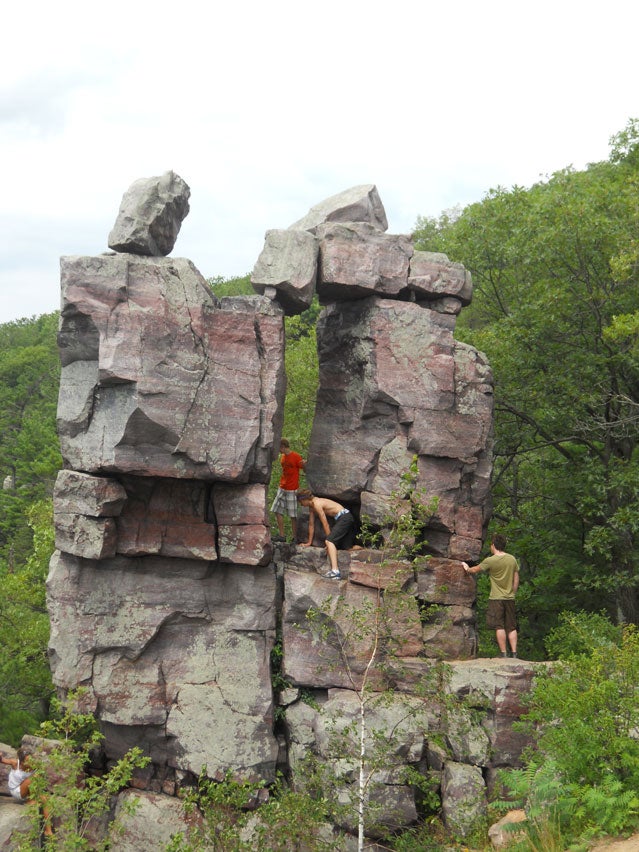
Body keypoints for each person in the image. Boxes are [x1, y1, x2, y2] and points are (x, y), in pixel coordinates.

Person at [462, 533, 519, 658]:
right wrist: (512, 592)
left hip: (496, 598)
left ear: (493, 545)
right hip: (510, 598)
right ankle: (514, 654)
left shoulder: (491, 560)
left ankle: (504, 654)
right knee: (511, 626)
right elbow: (516, 578)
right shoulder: (512, 559)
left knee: (499, 626)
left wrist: (466, 568)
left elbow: (475, 570)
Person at [297, 489, 357, 579]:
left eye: (300, 502)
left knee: (329, 542)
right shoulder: (312, 507)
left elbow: (325, 523)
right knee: (348, 548)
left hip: (345, 517)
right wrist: (309, 542)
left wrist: (329, 540)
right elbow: (311, 524)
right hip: (345, 518)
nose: (301, 504)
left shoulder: (317, 504)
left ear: (305, 499)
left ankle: (335, 572)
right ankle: (364, 548)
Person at [0, 747, 52, 836]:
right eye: (27, 761)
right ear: (22, 761)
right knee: (32, 778)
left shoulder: (34, 765)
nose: (30, 763)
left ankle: (48, 831)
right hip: (16, 791)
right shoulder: (15, 763)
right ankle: (29, 801)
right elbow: (2, 760)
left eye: (31, 760)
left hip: (28, 790)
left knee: (45, 800)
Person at [270, 439, 305, 542]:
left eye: (279, 448)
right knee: (277, 510)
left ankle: (295, 537)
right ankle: (282, 536)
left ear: (283, 446)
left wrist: (305, 464)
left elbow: (304, 469)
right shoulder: (283, 457)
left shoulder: (296, 456)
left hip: (292, 489)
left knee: (292, 515)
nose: (279, 450)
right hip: (282, 487)